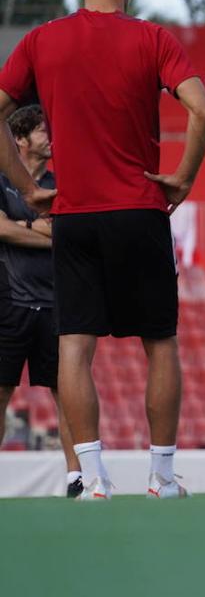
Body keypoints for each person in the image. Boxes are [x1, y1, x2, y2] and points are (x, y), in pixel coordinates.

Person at [0, 0, 205, 500]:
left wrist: (25, 187)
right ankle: (162, 476)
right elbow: (203, 110)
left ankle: (92, 479)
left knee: (75, 345)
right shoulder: (152, 38)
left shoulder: (43, 41)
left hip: (74, 214)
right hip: (140, 209)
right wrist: (185, 177)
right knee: (160, 343)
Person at [0, 105, 82, 497]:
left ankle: (76, 478)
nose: (50, 137)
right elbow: (2, 232)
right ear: (20, 139)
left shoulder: (60, 184)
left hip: (55, 302)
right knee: (1, 391)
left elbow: (67, 233)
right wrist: (37, 229)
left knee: (66, 392)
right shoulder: (1, 182)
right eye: (41, 131)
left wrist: (19, 229)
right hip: (9, 302)